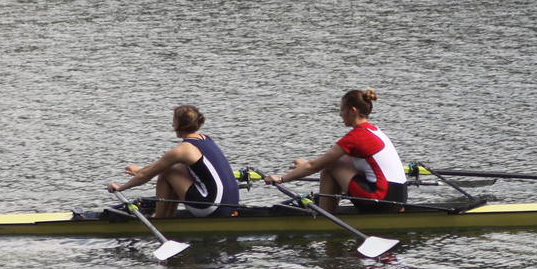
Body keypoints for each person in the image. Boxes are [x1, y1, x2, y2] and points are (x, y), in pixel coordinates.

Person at [270, 88, 407, 214]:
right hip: (397, 199)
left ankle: (323, 216)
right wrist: (307, 165)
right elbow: (329, 162)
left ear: (352, 110)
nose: (340, 114)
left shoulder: (356, 137)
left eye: (342, 110)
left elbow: (315, 166)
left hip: (380, 200)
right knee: (335, 163)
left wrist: (281, 179)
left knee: (330, 165)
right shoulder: (374, 131)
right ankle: (327, 211)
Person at [107, 105, 239, 219]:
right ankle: (168, 217)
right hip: (231, 204)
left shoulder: (182, 150)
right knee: (178, 168)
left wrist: (121, 187)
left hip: (211, 207)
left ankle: (161, 220)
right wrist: (140, 170)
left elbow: (146, 176)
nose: (172, 125)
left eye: (173, 121)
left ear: (180, 124)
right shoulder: (205, 139)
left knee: (166, 174)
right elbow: (162, 164)